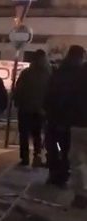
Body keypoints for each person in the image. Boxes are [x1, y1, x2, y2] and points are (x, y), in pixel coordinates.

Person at [45, 45, 86, 187]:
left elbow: (49, 93)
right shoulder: (80, 74)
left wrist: (49, 111)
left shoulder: (59, 71)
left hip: (54, 117)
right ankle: (63, 176)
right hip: (71, 119)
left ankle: (53, 173)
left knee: (53, 147)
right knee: (68, 150)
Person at [14, 49, 50, 167]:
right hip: (40, 110)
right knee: (37, 135)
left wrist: (17, 102)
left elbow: (19, 89)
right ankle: (37, 156)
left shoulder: (26, 73)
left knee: (24, 134)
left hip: (26, 108)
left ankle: (25, 158)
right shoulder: (48, 74)